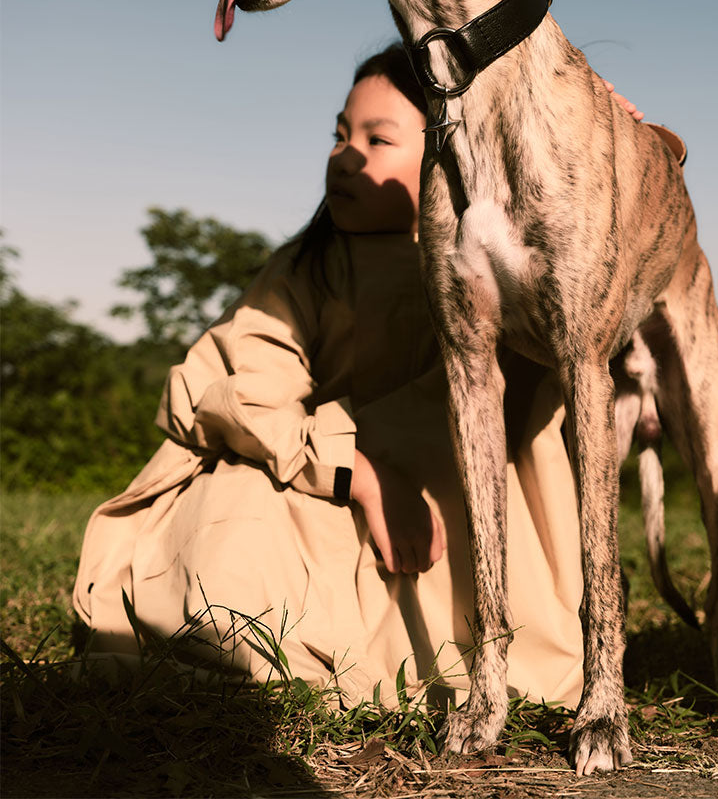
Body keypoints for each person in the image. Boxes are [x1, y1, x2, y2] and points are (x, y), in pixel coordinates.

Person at [73, 44, 657, 712]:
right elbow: (228, 393)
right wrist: (363, 477)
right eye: (339, 134)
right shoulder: (309, 266)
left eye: (378, 140)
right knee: (223, 572)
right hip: (321, 496)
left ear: (459, 148)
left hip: (470, 520)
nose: (344, 157)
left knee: (523, 659)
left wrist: (618, 133)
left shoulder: (516, 264)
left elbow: (632, 257)